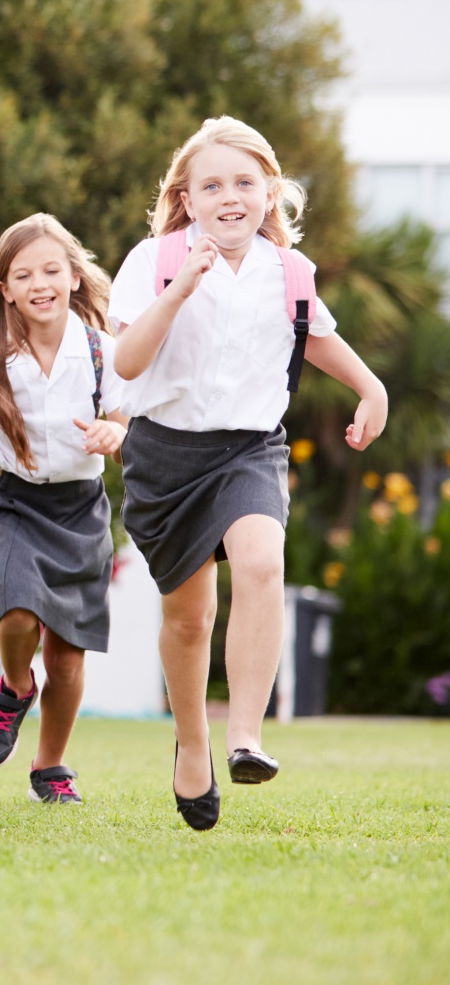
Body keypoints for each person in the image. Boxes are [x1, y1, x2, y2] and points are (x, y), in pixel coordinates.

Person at [110, 116, 385, 831]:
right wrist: (179, 289)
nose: (229, 196)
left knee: (262, 563)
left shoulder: (288, 272)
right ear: (188, 197)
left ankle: (246, 736)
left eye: (244, 182)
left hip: (250, 448)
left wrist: (372, 389)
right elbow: (128, 361)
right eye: (212, 184)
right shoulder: (154, 260)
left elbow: (317, 334)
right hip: (166, 455)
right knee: (189, 618)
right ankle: (193, 743)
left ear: (270, 193)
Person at [0, 213, 126, 803]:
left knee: (66, 659)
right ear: (4, 287)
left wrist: (115, 434)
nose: (40, 283)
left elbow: (124, 412)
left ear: (73, 277)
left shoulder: (99, 350)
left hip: (80, 509)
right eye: (23, 274)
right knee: (17, 615)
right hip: (8, 502)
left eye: (52, 270)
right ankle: (14, 687)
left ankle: (51, 767)